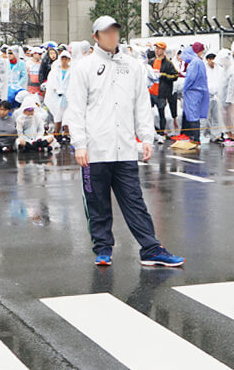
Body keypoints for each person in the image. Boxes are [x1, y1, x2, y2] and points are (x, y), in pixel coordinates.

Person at [64, 15, 184, 267]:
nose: (111, 36)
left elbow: (141, 103)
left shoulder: (132, 65)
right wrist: (80, 143)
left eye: (115, 31)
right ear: (95, 36)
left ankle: (151, 248)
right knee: (97, 202)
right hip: (95, 149)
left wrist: (146, 137)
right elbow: (75, 109)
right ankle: (103, 248)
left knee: (134, 201)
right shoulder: (84, 67)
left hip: (125, 148)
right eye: (105, 32)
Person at [147, 42, 179, 137]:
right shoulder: (151, 61)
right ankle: (150, 132)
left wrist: (163, 75)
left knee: (161, 113)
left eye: (160, 49)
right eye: (156, 48)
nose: (157, 50)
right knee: (148, 113)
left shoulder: (168, 63)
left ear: (164, 50)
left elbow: (175, 75)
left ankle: (161, 133)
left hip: (161, 92)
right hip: (151, 91)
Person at [180, 42, 209, 144]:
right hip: (199, 91)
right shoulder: (200, 62)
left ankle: (195, 138)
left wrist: (184, 88)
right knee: (195, 114)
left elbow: (190, 78)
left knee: (192, 115)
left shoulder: (194, 62)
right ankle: (195, 138)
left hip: (192, 92)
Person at [44, 50, 71, 142]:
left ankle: (66, 135)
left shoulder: (73, 71)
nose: (64, 60)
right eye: (62, 58)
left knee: (68, 117)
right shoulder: (55, 71)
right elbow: (52, 83)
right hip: (57, 97)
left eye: (66, 58)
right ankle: (57, 134)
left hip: (68, 97)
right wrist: (57, 90)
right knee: (58, 116)